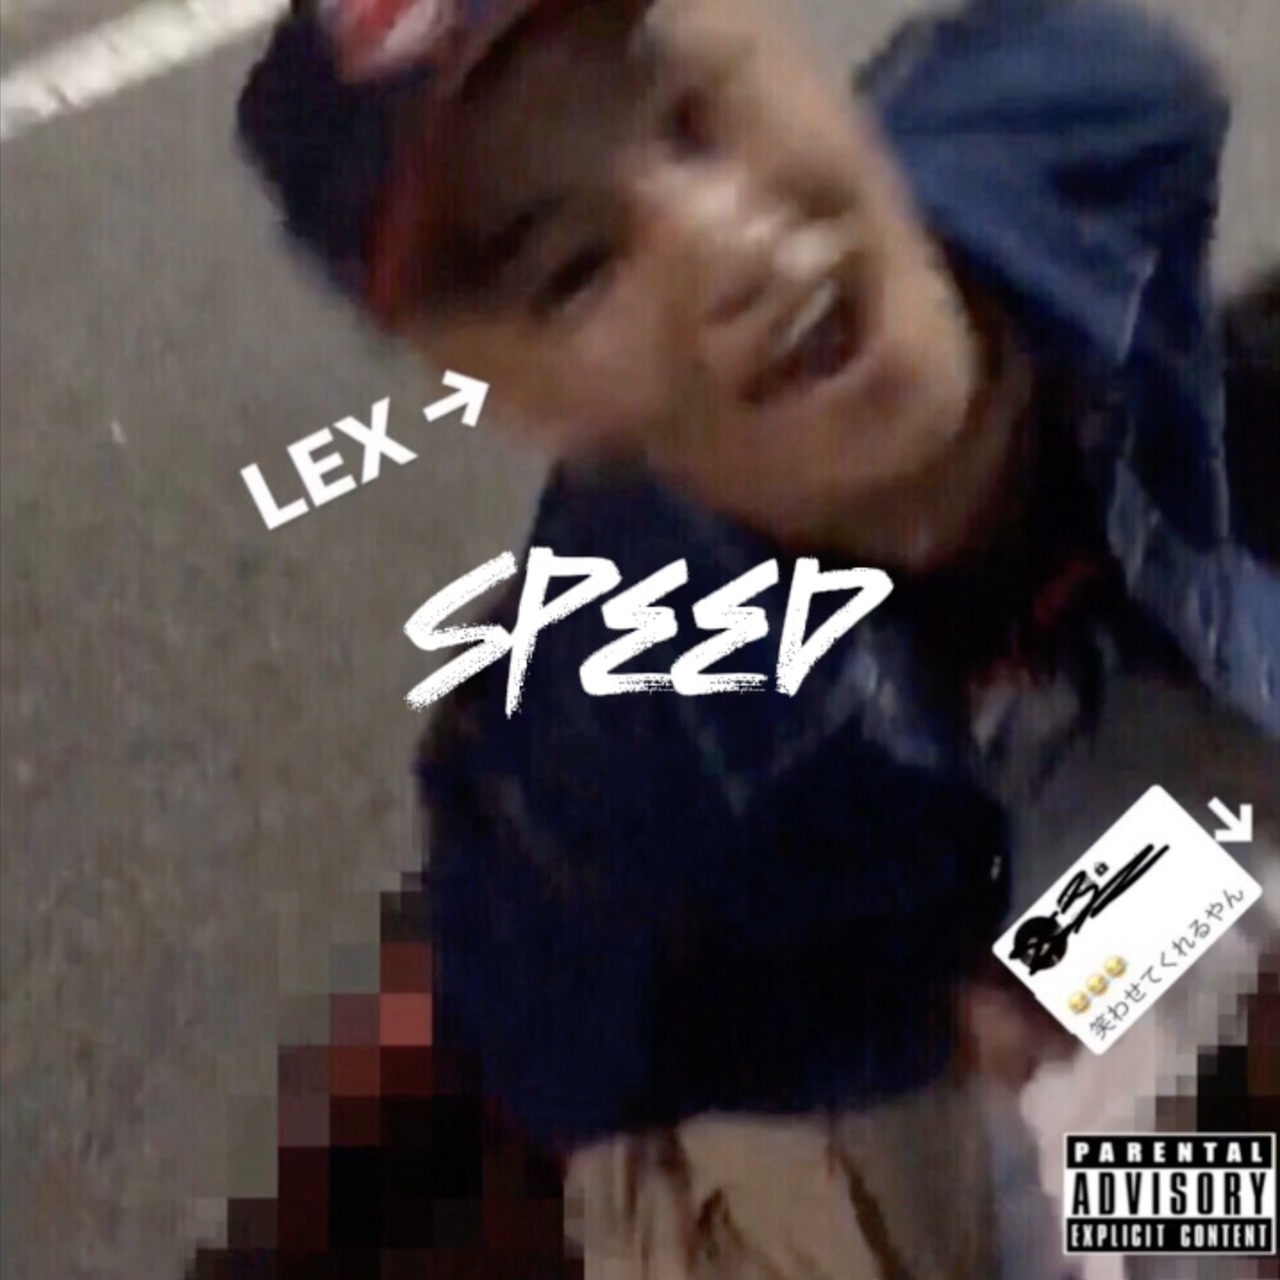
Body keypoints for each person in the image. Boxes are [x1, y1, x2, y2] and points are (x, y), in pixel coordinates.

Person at [210, 0, 1280, 1275]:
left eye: (694, 115)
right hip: (864, 967)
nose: (730, 252)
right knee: (1146, 1205)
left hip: (1100, 762)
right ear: (518, 400)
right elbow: (543, 1025)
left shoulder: (1081, 114)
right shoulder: (615, 744)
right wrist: (908, 1026)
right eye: (574, 269)